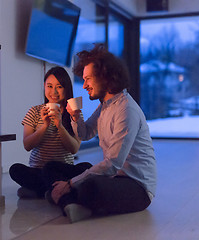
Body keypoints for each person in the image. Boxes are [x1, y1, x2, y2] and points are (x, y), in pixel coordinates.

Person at [44, 44, 157, 223]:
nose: (85, 85)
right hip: (114, 177)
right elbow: (85, 133)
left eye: (88, 79)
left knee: (89, 185)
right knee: (53, 167)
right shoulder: (105, 105)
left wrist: (71, 183)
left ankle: (62, 197)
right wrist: (75, 116)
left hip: (137, 188)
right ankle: (68, 200)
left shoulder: (126, 110)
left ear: (105, 77)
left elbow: (112, 164)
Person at [9, 66, 92, 198]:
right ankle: (57, 188)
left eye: (59, 86)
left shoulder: (74, 113)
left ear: (66, 88)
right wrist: (44, 126)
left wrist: (60, 126)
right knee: (15, 169)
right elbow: (27, 145)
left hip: (62, 170)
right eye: (49, 86)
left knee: (86, 167)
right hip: (39, 170)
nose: (54, 91)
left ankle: (40, 191)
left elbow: (74, 149)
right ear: (44, 86)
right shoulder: (34, 112)